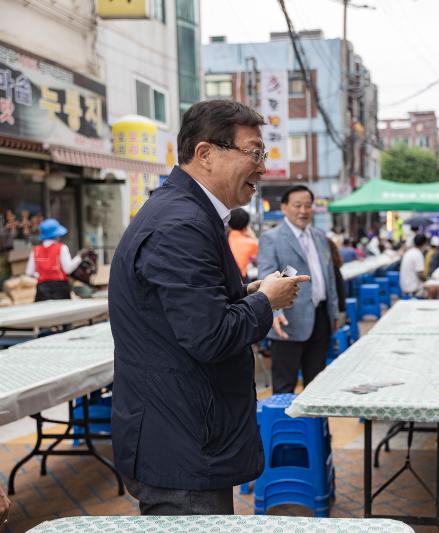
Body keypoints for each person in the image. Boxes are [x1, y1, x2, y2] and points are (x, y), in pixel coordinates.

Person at [109, 99, 308, 515]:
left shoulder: (187, 214)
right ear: (205, 154)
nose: (262, 167)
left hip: (185, 428)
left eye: (263, 155)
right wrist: (265, 301)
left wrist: (252, 291)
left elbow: (193, 308)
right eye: (253, 152)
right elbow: (210, 335)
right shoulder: (181, 224)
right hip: (179, 439)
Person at [258, 185, 339, 394]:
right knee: (285, 386)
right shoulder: (271, 238)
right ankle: (286, 428)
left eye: (308, 206)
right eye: (297, 205)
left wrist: (334, 311)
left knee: (318, 386)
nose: (303, 211)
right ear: (284, 207)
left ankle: (319, 428)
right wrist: (274, 312)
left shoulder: (319, 236)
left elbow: (329, 276)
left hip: (320, 318)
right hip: (287, 322)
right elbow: (266, 278)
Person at [25, 218, 82, 301]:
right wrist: (79, 257)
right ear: (56, 235)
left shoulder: (35, 251)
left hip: (42, 290)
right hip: (60, 289)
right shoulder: (62, 247)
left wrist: (40, 275)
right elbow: (68, 269)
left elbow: (29, 272)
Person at [227, 208, 258, 282]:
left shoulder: (225, 238)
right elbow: (259, 259)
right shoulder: (251, 243)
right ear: (246, 225)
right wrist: (252, 236)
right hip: (240, 279)